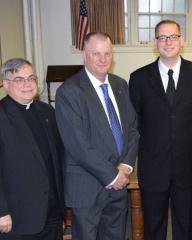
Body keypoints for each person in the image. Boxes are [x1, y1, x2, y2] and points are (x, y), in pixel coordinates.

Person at [129, 20, 192, 240]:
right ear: (155, 42)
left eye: (173, 36)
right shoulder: (138, 78)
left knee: (185, 228)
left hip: (187, 168)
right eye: (162, 37)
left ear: (182, 40)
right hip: (153, 169)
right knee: (153, 229)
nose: (168, 42)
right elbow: (133, 126)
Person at [55, 32, 139, 240]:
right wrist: (112, 175)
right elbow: (77, 145)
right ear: (84, 55)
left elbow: (132, 129)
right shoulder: (69, 91)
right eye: (96, 54)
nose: (103, 59)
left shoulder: (120, 85)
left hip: (119, 184)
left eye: (107, 53)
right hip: (88, 187)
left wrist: (126, 167)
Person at [0, 58, 64, 239]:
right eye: (19, 79)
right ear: (6, 84)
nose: (27, 84)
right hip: (17, 217)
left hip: (51, 210)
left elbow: (57, 157)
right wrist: (1, 212)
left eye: (31, 78)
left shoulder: (46, 111)